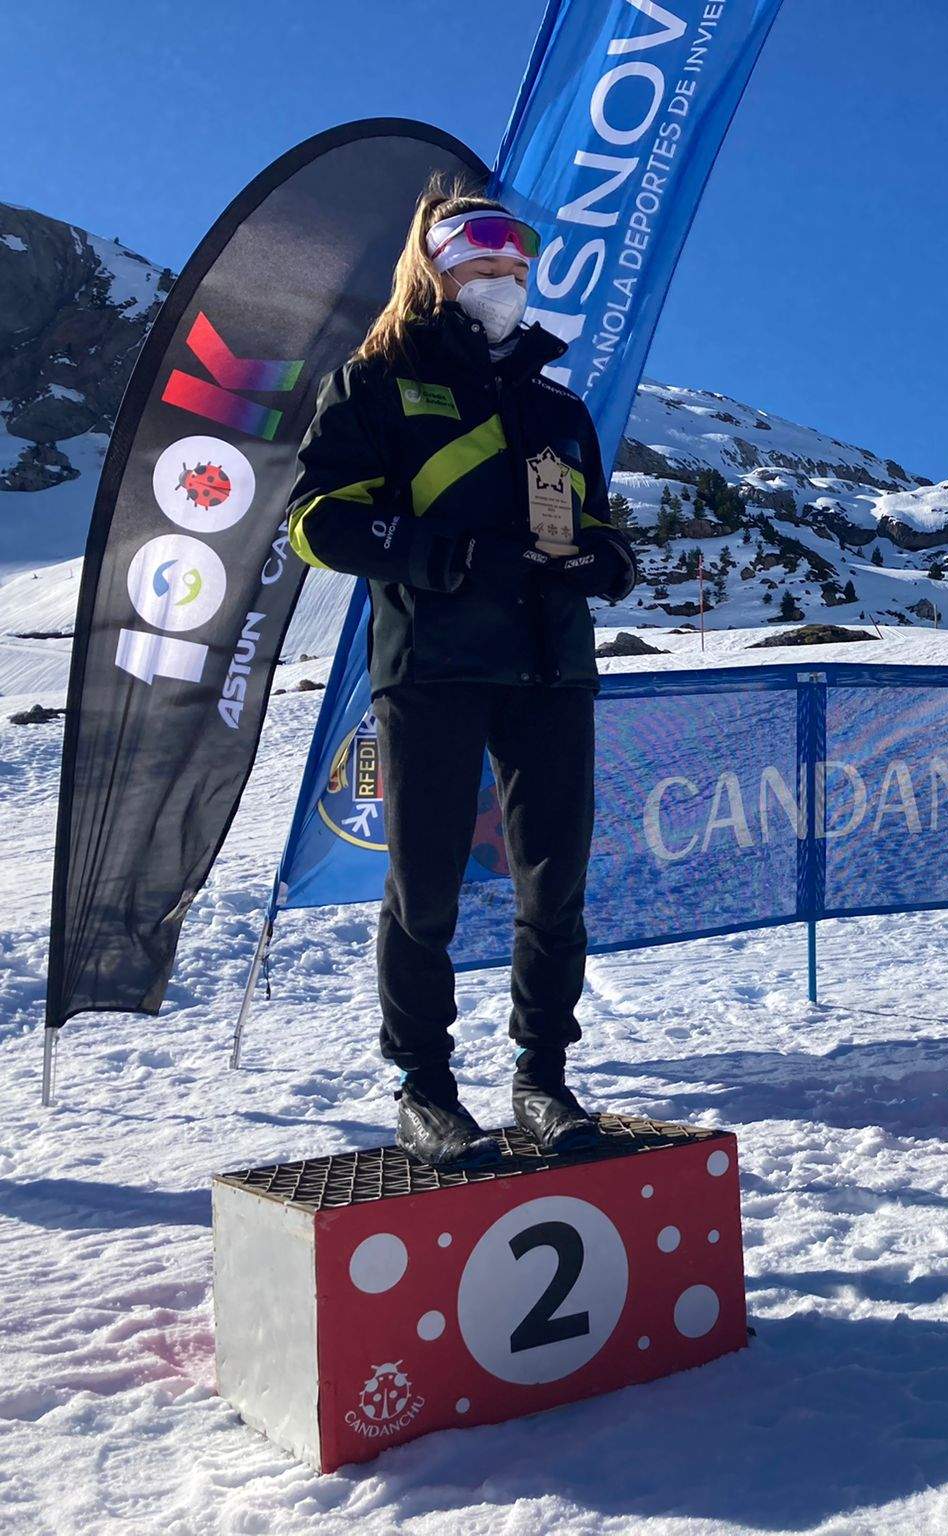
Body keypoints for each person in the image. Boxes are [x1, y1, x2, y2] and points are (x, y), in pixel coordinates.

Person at [285, 179, 638, 1167]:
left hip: (550, 666)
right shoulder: (378, 382)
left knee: (553, 881)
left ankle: (542, 1079)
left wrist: (604, 564)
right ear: (436, 268)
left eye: (517, 267)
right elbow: (319, 522)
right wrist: (456, 558)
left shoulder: (556, 406)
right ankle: (423, 1089)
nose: (504, 281)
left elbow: (596, 525)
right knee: (426, 884)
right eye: (483, 262)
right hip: (434, 663)